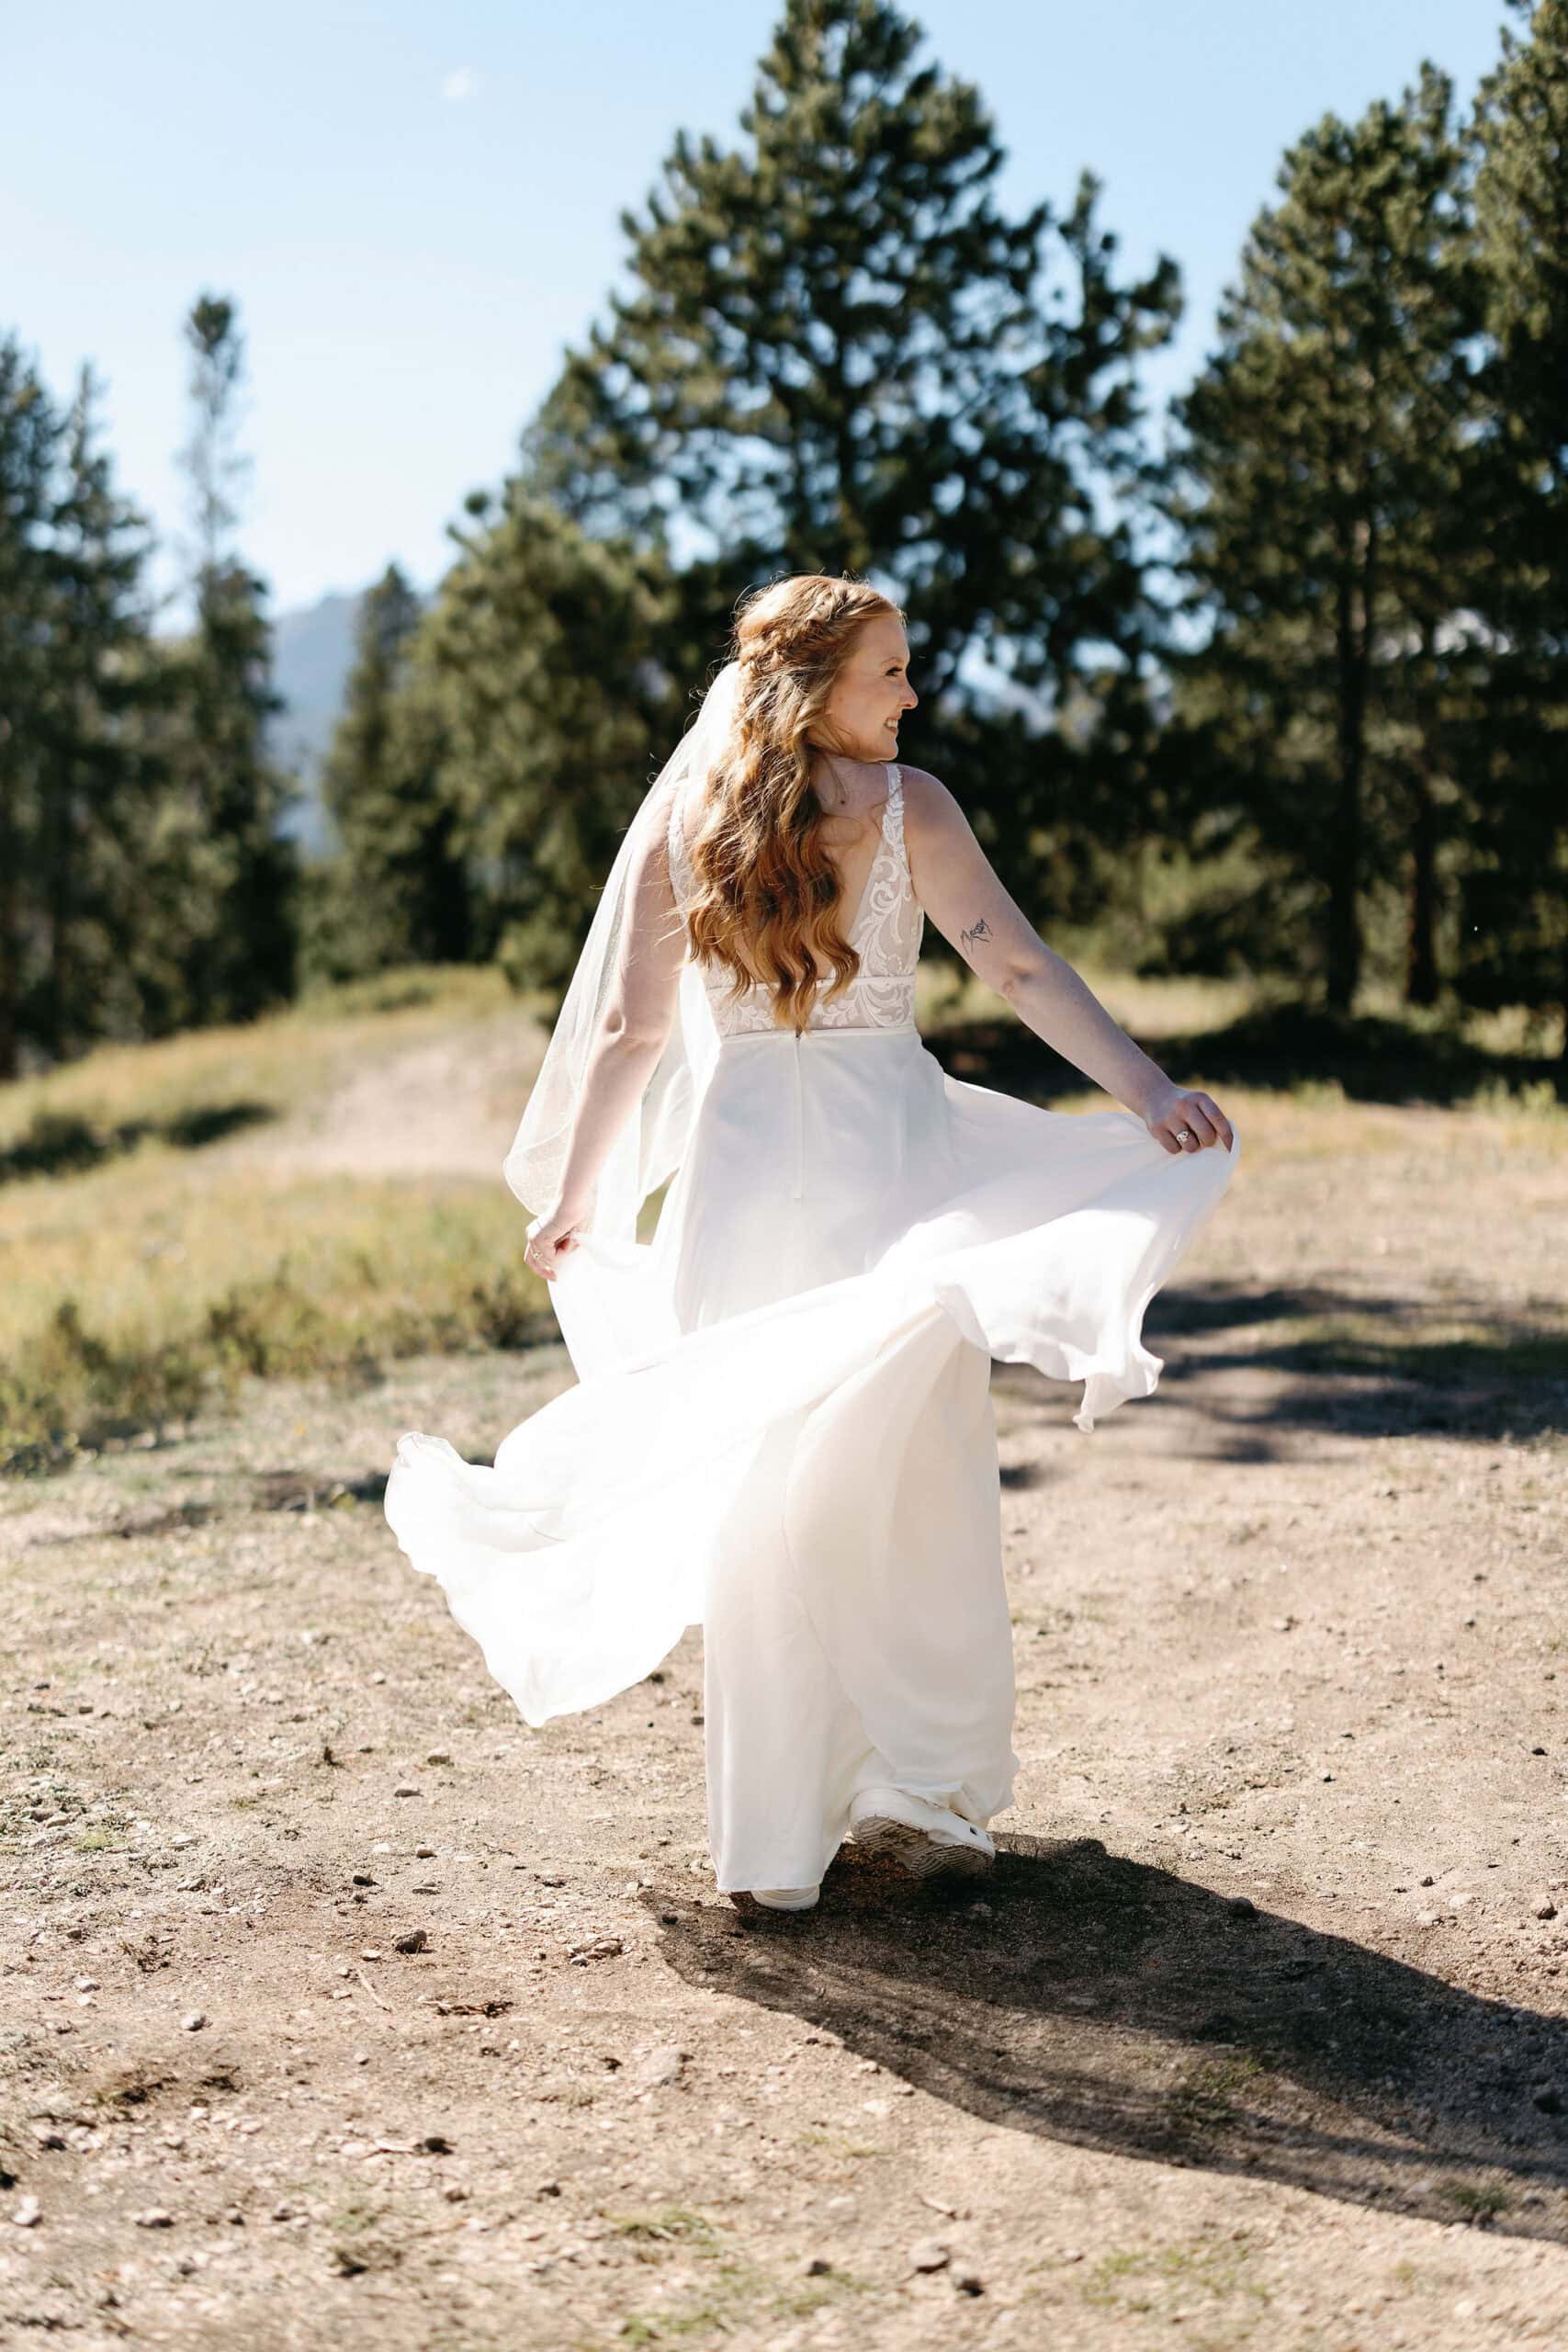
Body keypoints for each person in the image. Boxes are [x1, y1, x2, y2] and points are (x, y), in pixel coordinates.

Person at [384, 574, 1238, 1915]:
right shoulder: (913, 812)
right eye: (887, 672)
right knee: (909, 1476)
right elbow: (1014, 967)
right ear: (814, 688)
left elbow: (631, 1034)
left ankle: (774, 1845)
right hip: (882, 1167)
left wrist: (580, 1195)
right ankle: (918, 1788)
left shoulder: (696, 812)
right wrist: (1147, 1091)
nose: (911, 693)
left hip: (737, 1179)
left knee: (763, 1499)